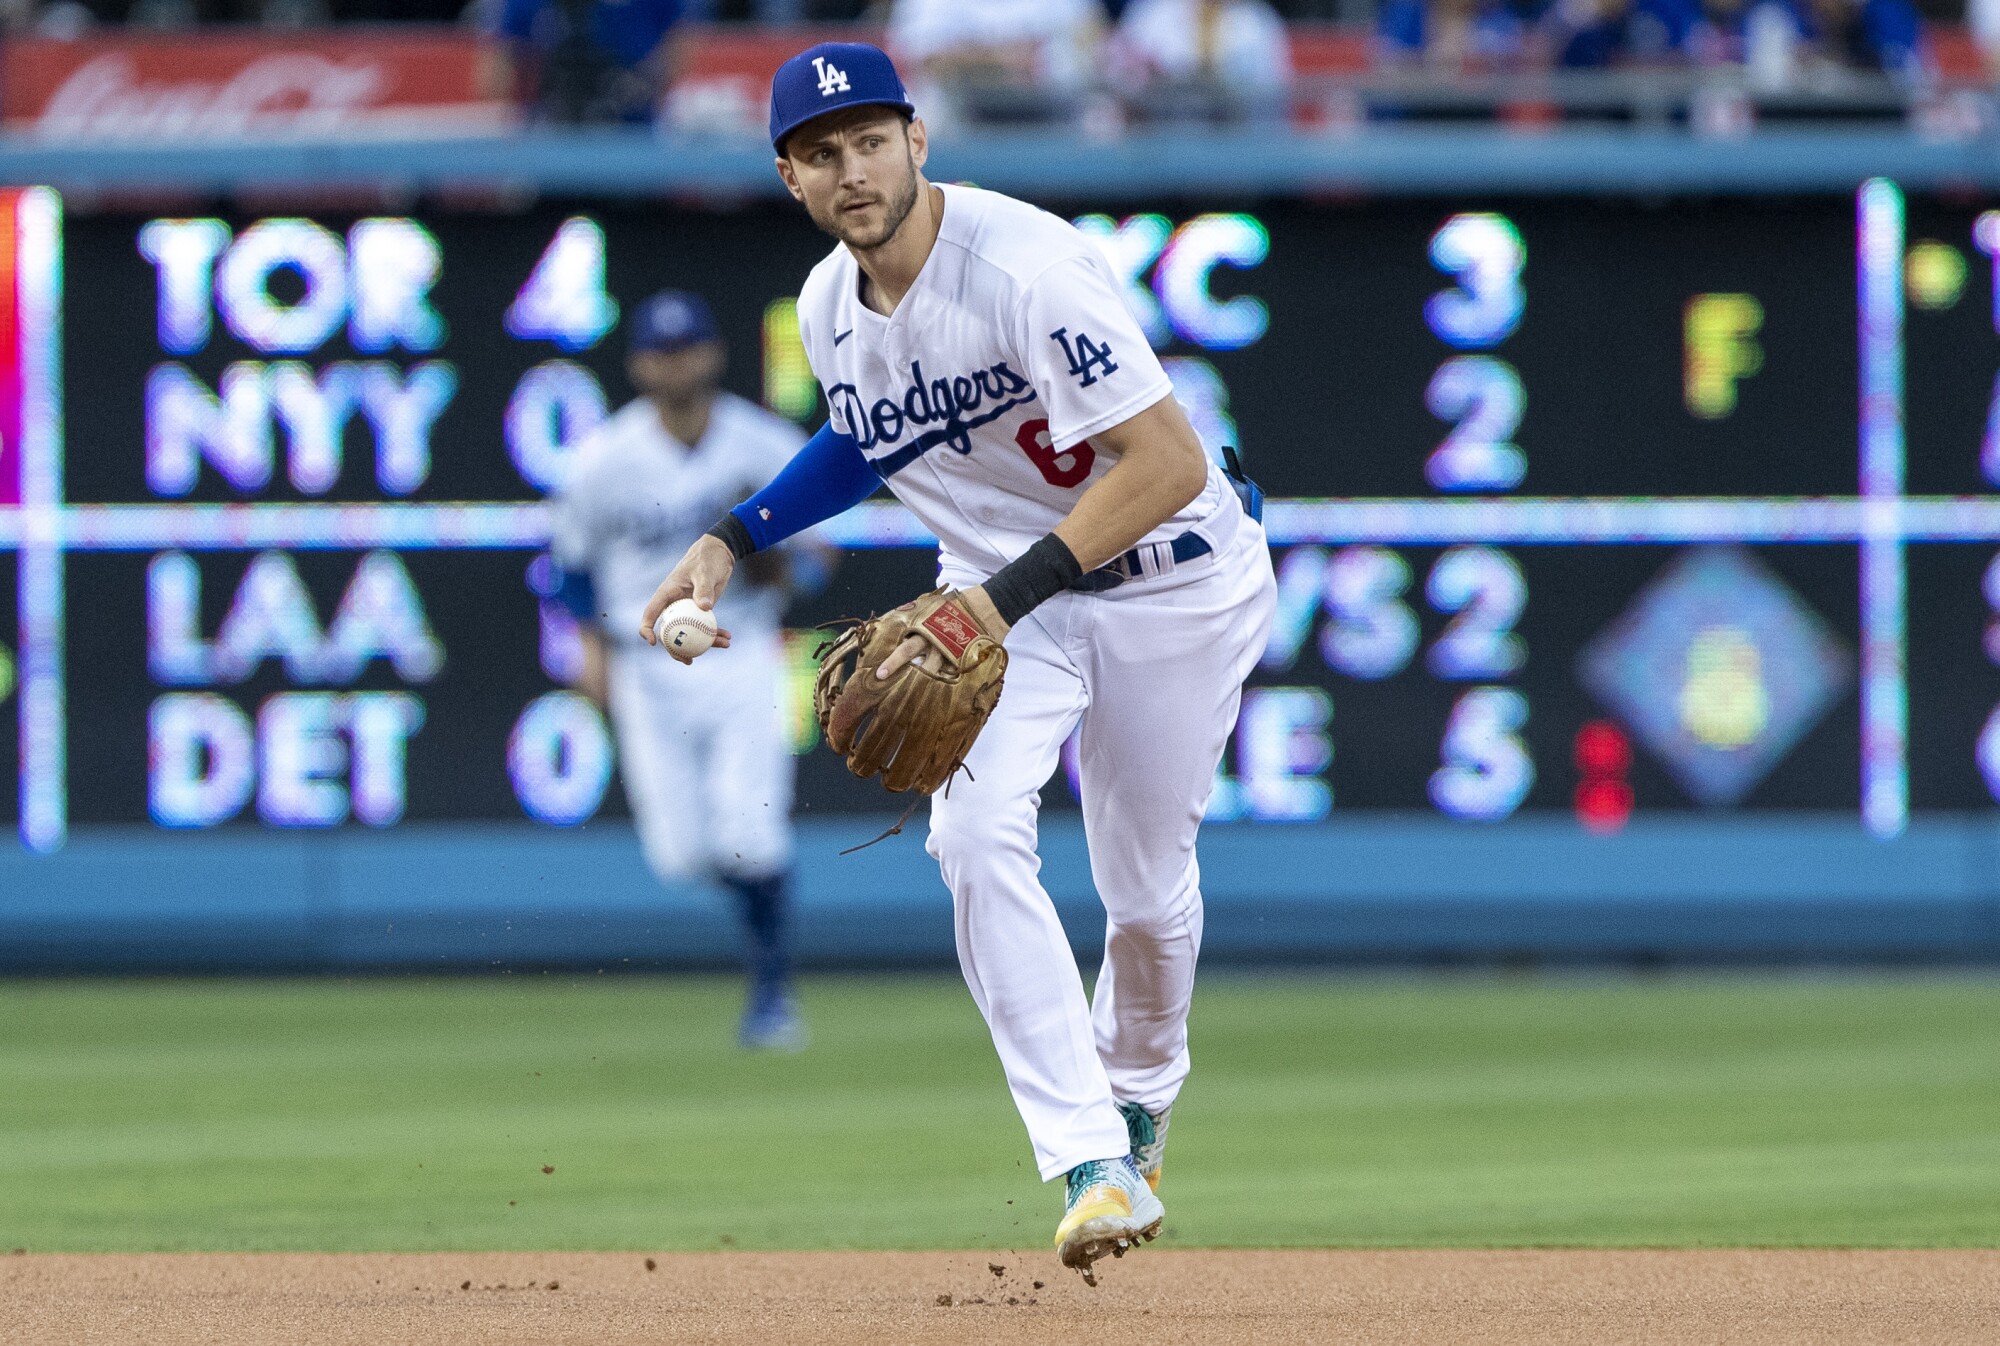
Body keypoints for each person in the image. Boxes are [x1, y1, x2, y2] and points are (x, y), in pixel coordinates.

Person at [639, 42, 1276, 1283]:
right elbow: (866, 436)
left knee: (1143, 891)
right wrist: (730, 536)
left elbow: (1165, 465)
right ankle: (1089, 1158)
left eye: (869, 141)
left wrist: (990, 604)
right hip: (1003, 600)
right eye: (821, 153)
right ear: (789, 177)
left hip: (1171, 582)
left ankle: (1139, 1094)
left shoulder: (1028, 269)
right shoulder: (827, 307)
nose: (851, 168)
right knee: (970, 836)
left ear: (916, 142)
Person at [550, 289, 831, 1051]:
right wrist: (589, 654)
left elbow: (822, 555)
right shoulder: (604, 459)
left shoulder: (761, 443)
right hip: (645, 663)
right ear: (640, 365)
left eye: (687, 348)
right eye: (661, 352)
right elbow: (569, 571)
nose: (676, 365)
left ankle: (773, 996)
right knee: (678, 855)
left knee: (750, 831)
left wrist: (780, 567)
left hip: (741, 652)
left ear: (714, 354)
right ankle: (762, 925)